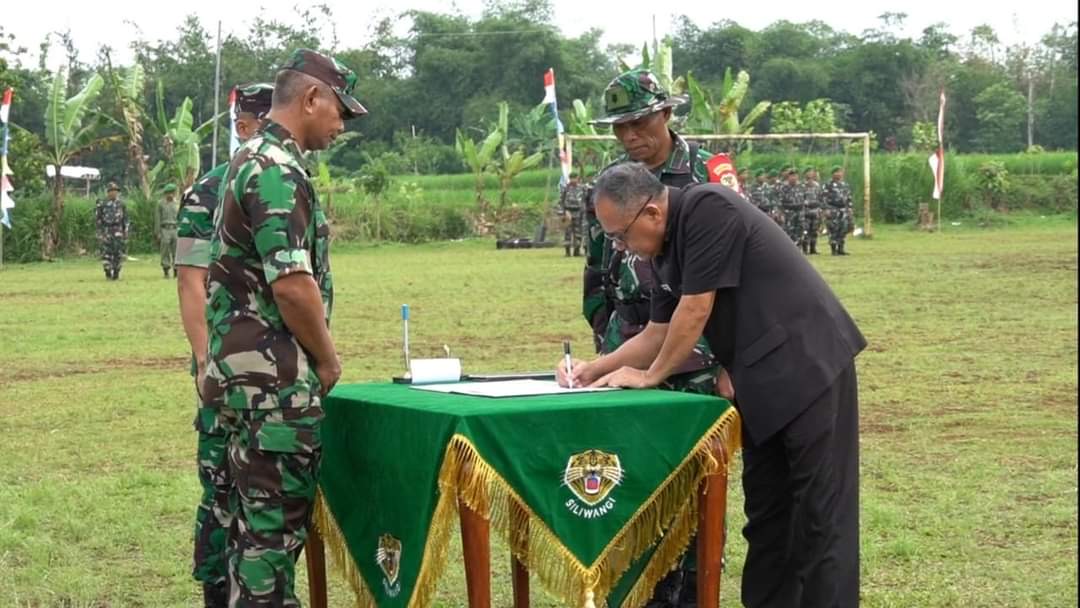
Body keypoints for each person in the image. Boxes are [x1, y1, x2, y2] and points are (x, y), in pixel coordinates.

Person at [560, 162, 866, 608]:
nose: (620, 247)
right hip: (759, 383)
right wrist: (595, 368)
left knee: (822, 515)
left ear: (650, 214)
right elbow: (658, 332)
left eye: (620, 236)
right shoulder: (665, 249)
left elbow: (696, 309)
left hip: (808, 366)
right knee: (768, 518)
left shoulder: (707, 207)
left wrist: (650, 376)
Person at [201, 49, 365, 606]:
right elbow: (292, 284)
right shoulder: (276, 171)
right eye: (340, 110)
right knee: (270, 547)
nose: (341, 125)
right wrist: (327, 359)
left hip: (240, 382)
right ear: (311, 98)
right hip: (273, 389)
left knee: (248, 540)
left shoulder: (248, 158)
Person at [584, 67, 728, 606]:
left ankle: (688, 594)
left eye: (639, 122)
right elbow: (598, 268)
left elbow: (728, 283)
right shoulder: (612, 179)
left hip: (696, 357)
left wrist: (727, 362)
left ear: (667, 114)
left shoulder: (708, 174)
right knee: (626, 480)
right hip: (630, 344)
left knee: (688, 491)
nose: (629, 136)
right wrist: (605, 341)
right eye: (619, 127)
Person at [175, 82, 273, 607]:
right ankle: (216, 587)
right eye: (265, 121)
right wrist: (201, 360)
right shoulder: (209, 191)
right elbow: (191, 281)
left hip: (273, 369)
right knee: (221, 485)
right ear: (243, 125)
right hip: (223, 365)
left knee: (268, 495)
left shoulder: (279, 181)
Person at [94, 182, 128, 280]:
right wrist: (100, 232)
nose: (114, 193)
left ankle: (116, 272)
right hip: (106, 230)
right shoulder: (102, 204)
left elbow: (125, 219)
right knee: (106, 253)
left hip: (118, 230)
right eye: (112, 191)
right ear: (108, 192)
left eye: (116, 191)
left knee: (118, 252)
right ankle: (108, 272)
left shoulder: (121, 204)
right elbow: (98, 219)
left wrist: (125, 231)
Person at [823, 166, 854, 256]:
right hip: (833, 209)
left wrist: (850, 208)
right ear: (833, 174)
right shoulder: (828, 185)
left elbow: (848, 197)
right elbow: (823, 198)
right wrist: (825, 209)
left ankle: (841, 248)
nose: (839, 174)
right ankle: (833, 249)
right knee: (833, 229)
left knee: (843, 228)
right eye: (836, 172)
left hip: (843, 209)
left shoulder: (845, 185)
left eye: (840, 172)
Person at [556, 176, 587, 256]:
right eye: (571, 178)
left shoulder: (582, 188)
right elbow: (561, 201)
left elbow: (585, 199)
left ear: (577, 178)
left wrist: (584, 211)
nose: (573, 180)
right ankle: (567, 252)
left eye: (575, 178)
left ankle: (577, 251)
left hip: (578, 212)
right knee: (567, 233)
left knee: (578, 233)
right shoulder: (565, 188)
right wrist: (562, 213)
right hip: (568, 212)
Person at [778, 167, 807, 252]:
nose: (793, 177)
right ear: (788, 177)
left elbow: (804, 199)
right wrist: (781, 213)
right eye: (791, 176)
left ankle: (798, 249)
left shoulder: (801, 186)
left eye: (795, 175)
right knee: (789, 231)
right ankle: (788, 250)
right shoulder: (783, 187)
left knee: (799, 231)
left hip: (799, 212)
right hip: (788, 212)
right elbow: (780, 201)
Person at [158, 183, 180, 277]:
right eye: (168, 193)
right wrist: (158, 232)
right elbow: (157, 219)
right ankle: (166, 270)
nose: (170, 195)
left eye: (172, 192)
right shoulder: (161, 204)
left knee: (177, 250)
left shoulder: (178, 203)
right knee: (165, 250)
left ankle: (176, 270)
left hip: (176, 228)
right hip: (165, 229)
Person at [801, 167, 823, 255]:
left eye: (812, 172)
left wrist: (820, 210)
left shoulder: (817, 186)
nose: (810, 174)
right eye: (808, 172)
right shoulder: (802, 186)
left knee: (814, 230)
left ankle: (813, 248)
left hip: (815, 211)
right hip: (806, 211)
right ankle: (805, 249)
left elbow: (820, 197)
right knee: (805, 230)